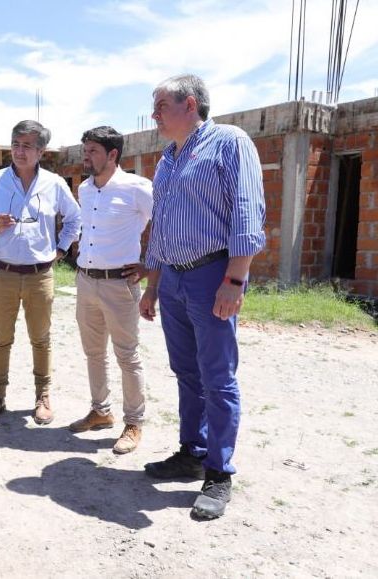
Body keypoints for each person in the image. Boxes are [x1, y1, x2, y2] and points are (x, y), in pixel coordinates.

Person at [140, 74, 266, 519]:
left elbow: (248, 211)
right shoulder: (167, 160)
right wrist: (153, 285)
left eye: (161, 105)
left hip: (213, 274)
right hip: (173, 279)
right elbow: (161, 225)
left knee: (217, 376)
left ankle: (219, 471)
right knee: (186, 372)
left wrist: (235, 279)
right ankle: (192, 452)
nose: (154, 114)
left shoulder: (229, 142)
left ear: (189, 104)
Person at [0, 120, 81, 425]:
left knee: (41, 339)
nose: (19, 151)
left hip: (40, 275)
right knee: (1, 338)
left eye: (27, 146)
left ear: (41, 151)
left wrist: (61, 249)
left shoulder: (54, 184)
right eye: (15, 145)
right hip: (2, 274)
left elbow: (75, 218)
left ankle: (43, 396)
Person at [69, 126, 152, 454]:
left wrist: (149, 265)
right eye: (85, 150)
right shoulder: (85, 189)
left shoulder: (137, 188)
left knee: (127, 355)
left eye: (93, 151)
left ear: (113, 154)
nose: (86, 157)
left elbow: (165, 224)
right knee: (93, 353)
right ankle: (101, 411)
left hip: (120, 284)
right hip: (86, 281)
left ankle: (134, 422)